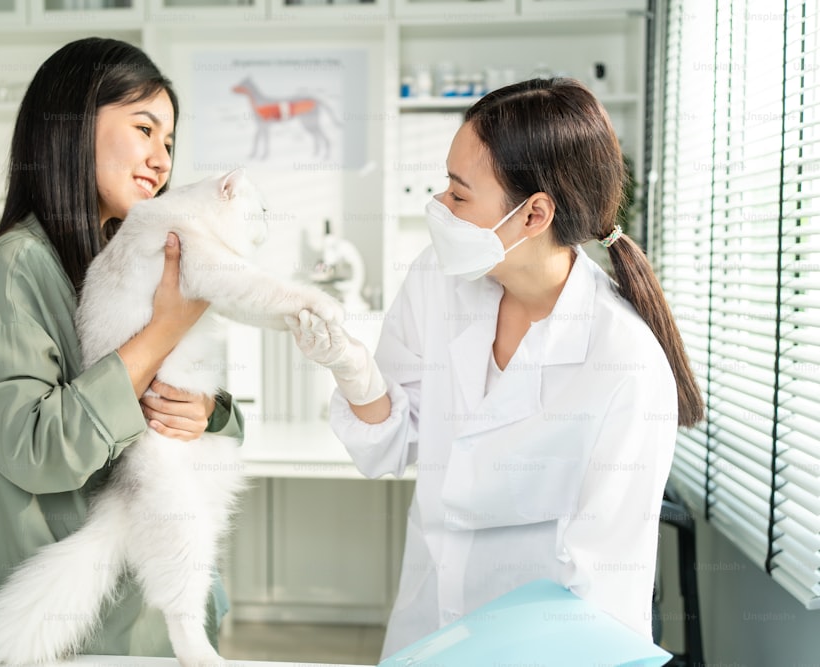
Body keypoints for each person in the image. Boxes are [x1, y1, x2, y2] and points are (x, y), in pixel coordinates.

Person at [288, 77, 704, 658]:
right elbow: (387, 447)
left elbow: (604, 588)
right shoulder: (439, 279)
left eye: (459, 195)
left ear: (534, 214)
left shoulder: (625, 364)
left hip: (543, 650)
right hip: (429, 620)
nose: (439, 206)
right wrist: (356, 372)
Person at [0, 37, 243, 655]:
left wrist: (208, 413)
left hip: (153, 604)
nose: (161, 159)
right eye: (144, 129)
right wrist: (163, 330)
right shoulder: (18, 266)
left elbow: (203, 403)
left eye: (168, 142)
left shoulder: (133, 258)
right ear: (71, 126)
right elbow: (35, 449)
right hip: (75, 627)